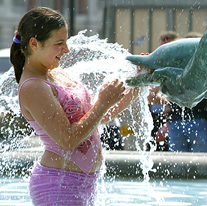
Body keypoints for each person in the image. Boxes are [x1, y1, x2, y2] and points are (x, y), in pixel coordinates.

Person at [11, 7, 139, 205]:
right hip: (58, 186)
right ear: (34, 44)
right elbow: (68, 140)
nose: (66, 49)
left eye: (66, 42)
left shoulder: (57, 74)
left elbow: (94, 119)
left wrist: (136, 86)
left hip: (81, 183)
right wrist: (103, 102)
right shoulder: (33, 86)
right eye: (59, 43)